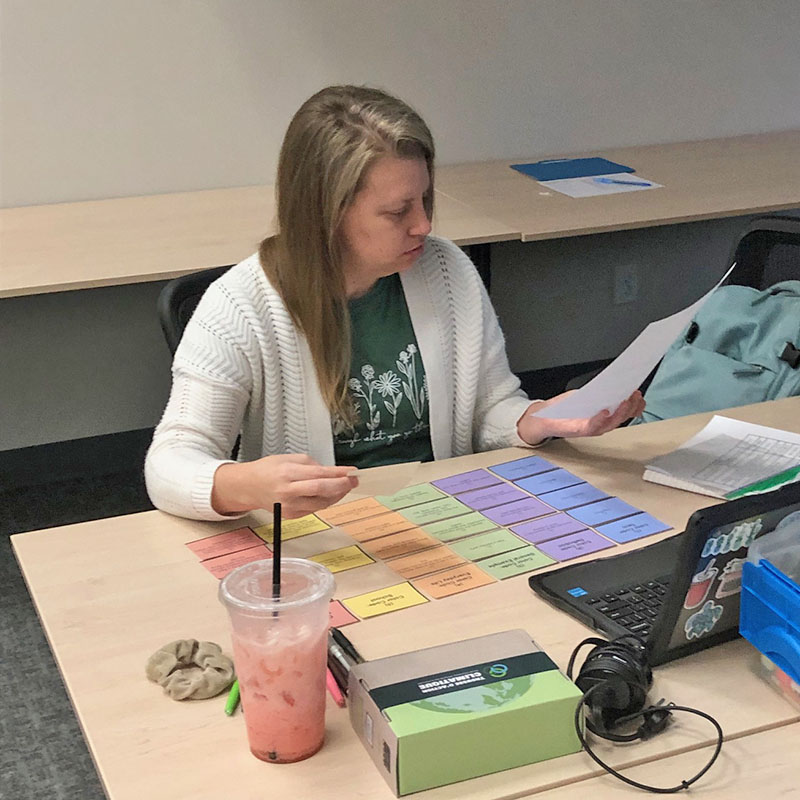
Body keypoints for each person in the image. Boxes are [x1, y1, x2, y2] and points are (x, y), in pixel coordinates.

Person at [145, 85, 643, 521]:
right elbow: (170, 463)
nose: (424, 225)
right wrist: (245, 486)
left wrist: (530, 421)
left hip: (445, 513)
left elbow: (487, 409)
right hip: (325, 535)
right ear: (327, 214)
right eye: (397, 211)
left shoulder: (447, 271)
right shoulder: (240, 306)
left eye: (425, 200)